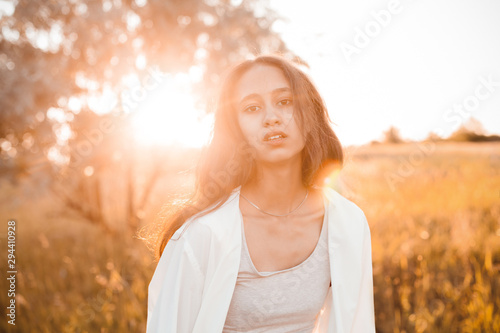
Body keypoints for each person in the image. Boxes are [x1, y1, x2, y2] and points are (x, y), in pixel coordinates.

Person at [145, 54, 376, 332]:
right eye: (252, 108)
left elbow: (358, 322)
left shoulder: (348, 222)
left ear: (309, 113)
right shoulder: (203, 234)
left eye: (284, 102)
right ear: (236, 129)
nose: (271, 118)